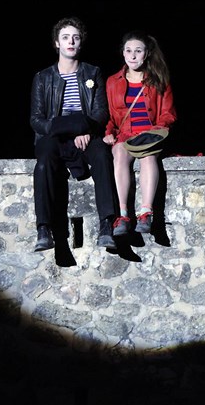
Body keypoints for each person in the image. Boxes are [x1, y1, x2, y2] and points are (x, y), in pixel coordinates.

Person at [30, 17, 117, 254]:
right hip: (55, 136)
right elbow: (36, 119)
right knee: (44, 161)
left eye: (75, 38)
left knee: (102, 155)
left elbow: (100, 112)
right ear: (56, 43)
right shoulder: (43, 77)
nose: (71, 42)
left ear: (81, 43)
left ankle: (107, 225)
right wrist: (72, 128)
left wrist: (86, 130)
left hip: (86, 133)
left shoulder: (92, 72)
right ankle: (43, 229)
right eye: (66, 37)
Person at [102, 31, 177, 236]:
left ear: (146, 54)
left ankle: (146, 213)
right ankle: (123, 215)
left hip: (149, 134)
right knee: (119, 154)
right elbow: (109, 115)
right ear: (123, 53)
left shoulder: (158, 79)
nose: (133, 55)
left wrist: (156, 130)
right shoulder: (113, 81)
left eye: (138, 51)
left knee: (148, 158)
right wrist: (109, 132)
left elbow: (168, 113)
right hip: (126, 134)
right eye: (128, 51)